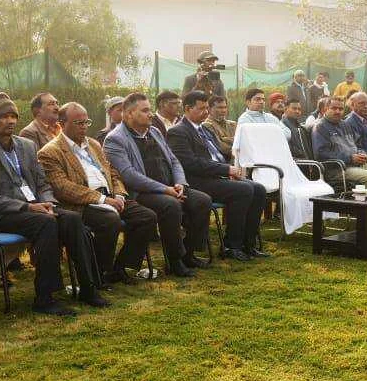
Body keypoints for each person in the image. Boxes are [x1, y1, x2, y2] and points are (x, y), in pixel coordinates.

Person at [0, 97, 101, 313]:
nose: (10, 121)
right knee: (45, 223)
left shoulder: (26, 146)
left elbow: (42, 183)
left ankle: (88, 286)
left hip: (35, 208)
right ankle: (45, 298)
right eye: (4, 117)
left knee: (72, 219)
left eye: (13, 116)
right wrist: (27, 207)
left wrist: (48, 202)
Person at [38, 102, 158, 286]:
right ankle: (99, 272)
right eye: (78, 123)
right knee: (110, 221)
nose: (84, 127)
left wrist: (119, 194)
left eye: (86, 122)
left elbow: (112, 172)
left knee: (147, 217)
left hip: (110, 197)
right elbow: (63, 187)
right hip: (82, 204)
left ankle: (120, 267)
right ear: (62, 124)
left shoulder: (93, 144)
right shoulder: (50, 152)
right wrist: (102, 199)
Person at [103, 93, 211, 277]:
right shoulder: (115, 139)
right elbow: (129, 176)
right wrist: (165, 190)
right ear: (128, 114)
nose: (150, 114)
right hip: (140, 193)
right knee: (171, 206)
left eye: (150, 109)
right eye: (145, 110)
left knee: (202, 201)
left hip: (170, 187)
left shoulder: (154, 131)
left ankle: (188, 253)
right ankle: (175, 261)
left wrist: (180, 183)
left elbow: (174, 161)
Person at [166, 91, 269, 261]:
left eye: (207, 108)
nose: (206, 112)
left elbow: (219, 153)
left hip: (215, 176)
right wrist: (225, 170)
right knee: (243, 190)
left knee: (258, 189)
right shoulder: (178, 132)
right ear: (188, 109)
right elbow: (190, 164)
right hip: (197, 181)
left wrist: (229, 170)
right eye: (201, 108)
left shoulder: (203, 129)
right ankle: (231, 246)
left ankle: (248, 244)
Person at [311, 97, 367, 195]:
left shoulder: (345, 125)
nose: (338, 111)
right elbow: (321, 154)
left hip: (357, 164)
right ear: (326, 109)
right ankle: (365, 204)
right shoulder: (320, 127)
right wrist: (350, 158)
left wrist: (362, 153)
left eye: (340, 109)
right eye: (334, 108)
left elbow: (357, 145)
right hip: (337, 169)